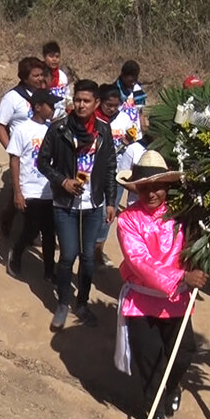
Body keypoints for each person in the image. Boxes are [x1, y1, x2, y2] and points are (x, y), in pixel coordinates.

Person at [115, 150, 209, 419]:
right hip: (142, 300)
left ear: (167, 186)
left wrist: (203, 259)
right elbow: (138, 261)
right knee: (149, 359)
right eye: (145, 187)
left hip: (176, 300)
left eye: (157, 187)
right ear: (136, 189)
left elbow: (199, 245)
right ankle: (153, 410)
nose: (151, 193)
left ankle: (173, 386)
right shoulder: (128, 219)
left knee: (183, 353)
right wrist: (181, 277)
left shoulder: (184, 215)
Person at [37, 79, 116, 330]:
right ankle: (62, 303)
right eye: (78, 100)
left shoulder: (103, 131)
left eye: (86, 101)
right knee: (68, 255)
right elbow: (42, 162)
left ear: (96, 103)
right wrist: (63, 181)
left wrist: (111, 201)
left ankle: (82, 303)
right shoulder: (59, 128)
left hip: (93, 205)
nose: (81, 105)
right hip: (65, 205)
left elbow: (110, 167)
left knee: (88, 257)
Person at [5, 89, 58, 281]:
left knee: (49, 232)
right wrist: (17, 192)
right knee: (32, 228)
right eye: (50, 105)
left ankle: (49, 270)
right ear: (37, 107)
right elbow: (14, 161)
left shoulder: (53, 130)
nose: (53, 109)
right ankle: (16, 252)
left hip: (49, 190)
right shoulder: (22, 130)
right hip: (29, 189)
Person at [0, 57, 47, 236]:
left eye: (41, 75)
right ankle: (9, 219)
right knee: (20, 188)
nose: (40, 79)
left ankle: (37, 228)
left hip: (41, 149)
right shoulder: (12, 98)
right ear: (24, 77)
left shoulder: (43, 94)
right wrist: (11, 149)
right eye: (35, 76)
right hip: (22, 150)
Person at [92, 83, 136, 265]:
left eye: (115, 106)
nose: (111, 109)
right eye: (108, 105)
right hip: (94, 174)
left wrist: (129, 140)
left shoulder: (125, 119)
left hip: (117, 175)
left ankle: (97, 250)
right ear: (99, 101)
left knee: (107, 213)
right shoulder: (92, 119)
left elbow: (135, 142)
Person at [115, 60, 148, 141]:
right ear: (123, 76)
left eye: (135, 80)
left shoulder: (137, 90)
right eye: (130, 81)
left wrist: (144, 128)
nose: (133, 83)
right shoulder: (115, 91)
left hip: (136, 134)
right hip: (119, 134)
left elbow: (140, 112)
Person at [42, 41, 71, 119]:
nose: (54, 59)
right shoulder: (40, 75)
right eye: (51, 56)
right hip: (45, 117)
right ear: (44, 56)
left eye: (57, 57)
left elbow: (67, 95)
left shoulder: (62, 76)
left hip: (62, 116)